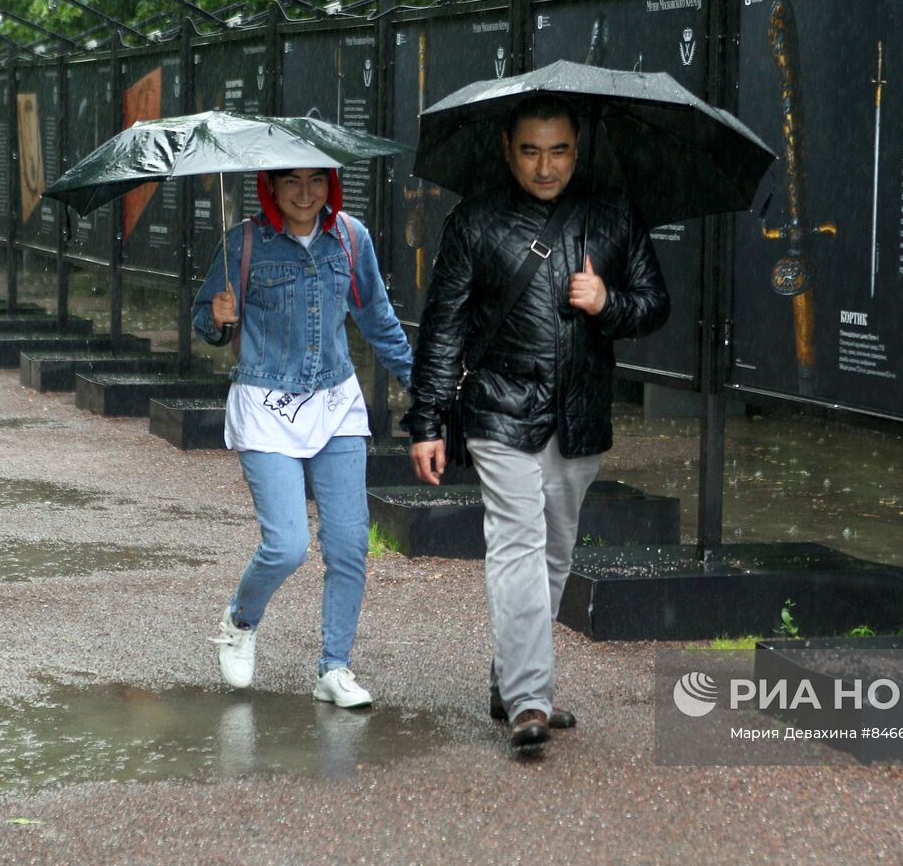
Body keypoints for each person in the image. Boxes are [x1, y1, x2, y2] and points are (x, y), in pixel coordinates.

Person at [404, 94, 669, 749]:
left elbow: (653, 304)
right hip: (499, 410)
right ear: (506, 149)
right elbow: (444, 328)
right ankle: (530, 698)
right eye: (531, 150)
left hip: (578, 417)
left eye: (558, 150)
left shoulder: (612, 213)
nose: (545, 166)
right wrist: (427, 420)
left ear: (577, 148)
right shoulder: (476, 221)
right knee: (518, 544)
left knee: (554, 552)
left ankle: (511, 673)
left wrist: (607, 302)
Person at [192, 167, 413, 708]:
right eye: (291, 182)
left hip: (335, 405)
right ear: (270, 186)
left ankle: (334, 668)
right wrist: (218, 320)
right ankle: (241, 621)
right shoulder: (245, 242)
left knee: (348, 545)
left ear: (333, 186)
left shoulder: (350, 238)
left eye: (317, 181)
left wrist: (426, 387)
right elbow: (203, 319)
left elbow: (378, 320)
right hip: (266, 405)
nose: (305, 193)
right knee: (287, 544)